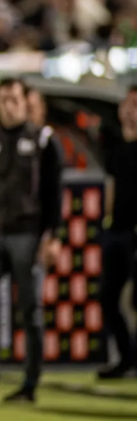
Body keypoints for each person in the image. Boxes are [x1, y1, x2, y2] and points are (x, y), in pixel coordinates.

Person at [0, 77, 64, 403]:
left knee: (30, 309)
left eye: (14, 99)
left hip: (29, 233)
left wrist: (53, 236)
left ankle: (30, 382)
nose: (8, 105)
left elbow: (54, 193)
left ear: (25, 102)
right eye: (3, 99)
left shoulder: (44, 141)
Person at [97, 85, 137, 379]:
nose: (128, 110)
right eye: (127, 103)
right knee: (108, 297)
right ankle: (126, 357)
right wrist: (107, 221)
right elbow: (111, 185)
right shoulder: (115, 146)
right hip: (117, 231)